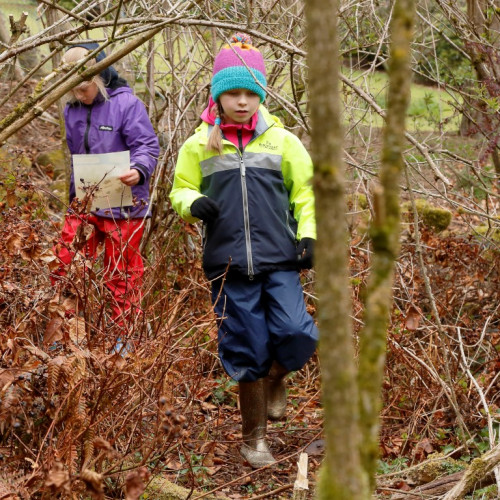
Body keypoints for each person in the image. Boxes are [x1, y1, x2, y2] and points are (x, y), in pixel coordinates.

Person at [170, 33, 318, 468]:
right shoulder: (199, 144)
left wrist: (308, 235)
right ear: (218, 95)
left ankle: (277, 378)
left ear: (261, 95)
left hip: (279, 260)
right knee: (246, 348)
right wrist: (192, 204)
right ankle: (254, 441)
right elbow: (180, 189)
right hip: (227, 264)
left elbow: (307, 194)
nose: (242, 102)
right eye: (232, 93)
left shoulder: (282, 141)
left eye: (250, 93)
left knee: (297, 332)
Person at [52, 43, 160, 346]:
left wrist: (139, 170)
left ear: (100, 80)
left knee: (121, 275)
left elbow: (147, 146)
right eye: (73, 90)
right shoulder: (71, 110)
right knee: (65, 262)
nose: (78, 95)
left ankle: (122, 342)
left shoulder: (127, 104)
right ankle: (65, 335)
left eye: (83, 89)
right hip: (85, 202)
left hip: (125, 205)